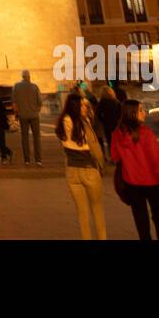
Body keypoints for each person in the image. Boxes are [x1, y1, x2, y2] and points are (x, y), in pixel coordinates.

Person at [110, 99, 159, 240]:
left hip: (131, 182)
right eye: (140, 110)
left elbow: (114, 157)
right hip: (151, 182)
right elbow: (156, 162)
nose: (144, 112)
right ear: (132, 113)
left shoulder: (117, 133)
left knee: (140, 218)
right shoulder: (146, 133)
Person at [56, 93, 106, 239]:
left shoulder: (62, 122)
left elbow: (65, 148)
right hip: (88, 168)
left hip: (72, 170)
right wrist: (101, 166)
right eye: (83, 105)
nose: (85, 108)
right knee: (97, 209)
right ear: (76, 106)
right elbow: (96, 148)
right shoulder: (83, 123)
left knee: (82, 213)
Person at [12, 69, 43, 166]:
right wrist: (36, 110)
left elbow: (14, 103)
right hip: (34, 115)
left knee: (24, 138)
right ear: (29, 76)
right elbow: (40, 101)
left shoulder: (16, 87)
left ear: (22, 77)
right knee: (36, 138)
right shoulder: (34, 87)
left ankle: (27, 160)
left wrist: (17, 113)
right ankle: (38, 160)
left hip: (22, 116)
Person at [95, 85, 121, 160]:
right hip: (116, 125)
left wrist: (103, 121)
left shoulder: (101, 103)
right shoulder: (116, 102)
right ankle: (118, 156)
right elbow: (120, 114)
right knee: (117, 141)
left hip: (107, 125)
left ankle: (112, 157)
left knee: (110, 142)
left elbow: (98, 114)